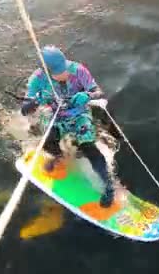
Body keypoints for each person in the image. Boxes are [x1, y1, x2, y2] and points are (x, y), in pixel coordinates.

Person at [20, 45, 115, 207]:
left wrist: (87, 95)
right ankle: (58, 156)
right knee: (48, 139)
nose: (65, 74)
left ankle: (109, 186)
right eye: (59, 73)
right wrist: (36, 101)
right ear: (48, 72)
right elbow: (24, 110)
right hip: (54, 115)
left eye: (64, 69)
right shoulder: (37, 79)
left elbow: (98, 91)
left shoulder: (78, 70)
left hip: (79, 114)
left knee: (89, 147)